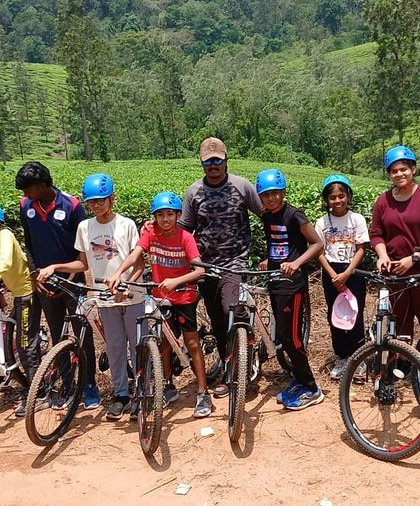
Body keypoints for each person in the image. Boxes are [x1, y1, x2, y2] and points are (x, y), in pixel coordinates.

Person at [37, 173, 144, 421]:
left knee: (137, 346)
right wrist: (56, 267)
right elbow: (82, 264)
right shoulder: (85, 227)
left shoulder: (127, 225)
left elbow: (139, 264)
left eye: (100, 200)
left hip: (131, 296)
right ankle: (121, 395)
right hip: (104, 298)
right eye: (91, 202)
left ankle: (142, 392)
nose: (95, 206)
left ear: (112, 199)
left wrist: (127, 285)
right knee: (115, 347)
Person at [106, 191, 212, 418]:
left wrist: (176, 281)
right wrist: (118, 272)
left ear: (178, 215)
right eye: (160, 215)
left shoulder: (185, 237)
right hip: (161, 299)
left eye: (170, 215)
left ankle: (203, 393)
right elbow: (136, 254)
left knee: (192, 344)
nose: (165, 219)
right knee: (163, 344)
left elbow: (200, 270)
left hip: (184, 296)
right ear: (154, 217)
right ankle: (167, 386)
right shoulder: (151, 233)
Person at [178, 137, 262, 397]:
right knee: (216, 321)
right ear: (202, 164)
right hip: (204, 267)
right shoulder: (193, 193)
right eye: (208, 162)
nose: (213, 166)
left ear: (226, 160)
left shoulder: (242, 186)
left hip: (235, 261)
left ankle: (238, 368)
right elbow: (184, 231)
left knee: (232, 312)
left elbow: (267, 216)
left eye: (218, 160)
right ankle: (230, 367)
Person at [15, 161, 100, 410]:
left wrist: (70, 279)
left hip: (73, 282)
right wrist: (34, 274)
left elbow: (81, 252)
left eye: (29, 189)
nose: (25, 195)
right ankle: (66, 384)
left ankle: (90, 384)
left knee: (83, 335)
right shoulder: (25, 206)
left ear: (43, 185)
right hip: (44, 283)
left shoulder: (72, 206)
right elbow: (28, 242)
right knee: (57, 335)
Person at [256, 168, 324, 410]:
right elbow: (277, 244)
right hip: (275, 281)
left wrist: (296, 263)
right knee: (283, 336)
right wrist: (269, 258)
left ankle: (312, 387)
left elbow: (317, 244)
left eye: (275, 193)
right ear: (260, 197)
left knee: (292, 338)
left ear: (284, 192)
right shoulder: (266, 216)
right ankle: (299, 379)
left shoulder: (295, 215)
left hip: (293, 285)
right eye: (266, 194)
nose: (271, 198)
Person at [315, 174, 369, 379]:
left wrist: (346, 273)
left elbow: (361, 249)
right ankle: (341, 356)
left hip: (353, 272)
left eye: (341, 196)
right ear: (326, 200)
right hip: (331, 272)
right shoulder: (322, 222)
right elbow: (319, 251)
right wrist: (334, 276)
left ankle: (358, 358)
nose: (337, 201)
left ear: (348, 196)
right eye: (332, 197)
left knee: (356, 314)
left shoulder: (356, 219)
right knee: (336, 316)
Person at [370, 145, 420, 338]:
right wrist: (382, 255)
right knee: (399, 326)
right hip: (395, 273)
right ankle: (403, 363)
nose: (399, 174)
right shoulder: (383, 201)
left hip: (417, 270)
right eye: (394, 171)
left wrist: (414, 258)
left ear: (413, 169)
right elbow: (376, 233)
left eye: (403, 169)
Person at [0, 208, 42, 417]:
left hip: (27, 293)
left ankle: (38, 392)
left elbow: (5, 263)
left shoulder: (4, 235)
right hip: (18, 293)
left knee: (26, 344)